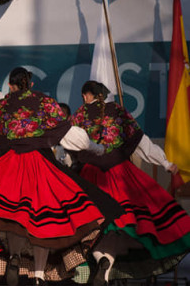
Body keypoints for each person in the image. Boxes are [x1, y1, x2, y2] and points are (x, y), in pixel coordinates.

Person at [0, 67, 120, 286]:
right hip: (40, 164)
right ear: (31, 84)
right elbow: (69, 136)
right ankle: (39, 275)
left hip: (11, 164)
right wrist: (97, 148)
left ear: (11, 85)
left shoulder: (4, 104)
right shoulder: (45, 102)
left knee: (15, 217)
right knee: (43, 221)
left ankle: (15, 257)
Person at [72, 80, 190, 286]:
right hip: (120, 173)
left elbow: (71, 149)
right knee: (122, 225)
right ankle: (105, 269)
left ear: (85, 96)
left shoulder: (80, 115)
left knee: (92, 228)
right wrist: (165, 163)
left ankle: (102, 263)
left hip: (91, 174)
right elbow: (143, 144)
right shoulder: (118, 111)